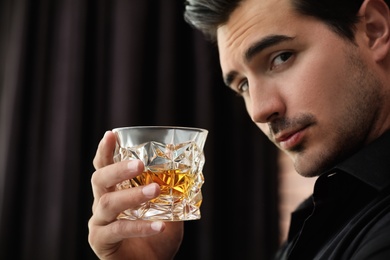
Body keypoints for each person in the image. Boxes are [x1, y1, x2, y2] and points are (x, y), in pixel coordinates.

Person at [88, 0, 390, 258]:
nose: (259, 110)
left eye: (281, 57)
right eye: (242, 85)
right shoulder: (329, 209)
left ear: (373, 29)